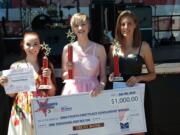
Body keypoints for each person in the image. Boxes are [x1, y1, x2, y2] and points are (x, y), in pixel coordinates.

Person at [108, 10, 156, 135]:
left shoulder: (143, 46)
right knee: (122, 130)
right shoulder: (113, 47)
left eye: (129, 24)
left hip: (137, 94)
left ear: (135, 25)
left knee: (138, 131)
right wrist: (111, 76)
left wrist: (138, 78)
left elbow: (153, 74)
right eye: (122, 24)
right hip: (119, 95)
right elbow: (113, 73)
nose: (125, 27)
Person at [0, 31, 56, 135]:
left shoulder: (47, 65)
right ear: (23, 46)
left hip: (42, 110)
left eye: (35, 44)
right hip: (22, 111)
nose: (32, 48)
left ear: (40, 45)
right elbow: (12, 94)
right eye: (28, 44)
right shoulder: (16, 66)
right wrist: (5, 85)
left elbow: (52, 93)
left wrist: (48, 78)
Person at [61, 13, 107, 96]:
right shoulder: (67, 49)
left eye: (83, 24)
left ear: (88, 26)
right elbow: (64, 77)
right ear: (73, 29)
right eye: (76, 25)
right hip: (72, 92)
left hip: (93, 91)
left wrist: (101, 86)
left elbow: (103, 76)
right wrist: (69, 70)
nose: (80, 28)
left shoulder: (100, 49)